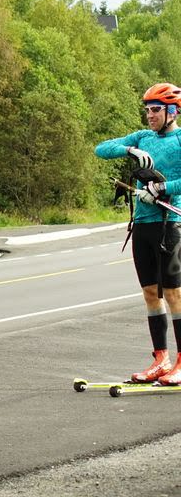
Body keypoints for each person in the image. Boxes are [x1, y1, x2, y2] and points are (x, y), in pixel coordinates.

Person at [94, 82, 181, 385]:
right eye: (147, 110)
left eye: (155, 109)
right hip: (142, 224)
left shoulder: (180, 139)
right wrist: (130, 150)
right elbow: (101, 148)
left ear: (172, 111)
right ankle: (161, 359)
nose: (150, 115)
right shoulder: (143, 138)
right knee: (150, 293)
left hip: (169, 223)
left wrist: (162, 188)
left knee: (173, 293)